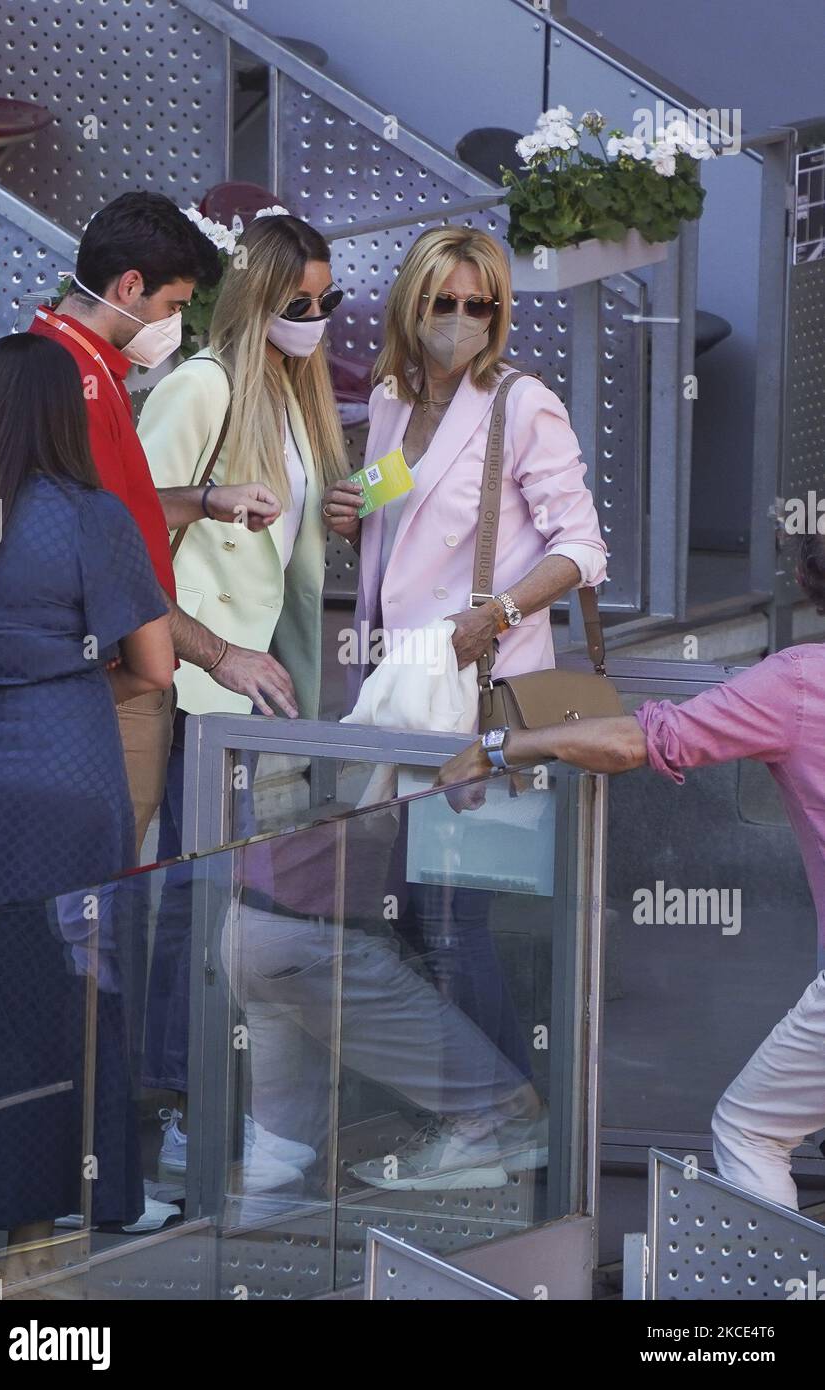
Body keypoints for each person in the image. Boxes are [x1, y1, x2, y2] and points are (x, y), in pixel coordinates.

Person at [438, 532, 825, 1211]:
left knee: (751, 1132)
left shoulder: (799, 681)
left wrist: (499, 746)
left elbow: (633, 742)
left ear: (805, 581)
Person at [322, 223, 607, 1089]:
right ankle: (482, 1103)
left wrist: (499, 612)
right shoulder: (395, 401)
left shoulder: (521, 404)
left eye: (478, 304)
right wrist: (353, 507)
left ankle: (506, 1105)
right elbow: (405, 485)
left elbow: (584, 547)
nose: (459, 319)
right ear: (412, 303)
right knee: (416, 912)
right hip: (404, 690)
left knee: (449, 913)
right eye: (442, 302)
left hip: (479, 694)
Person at [136, 207, 348, 1187]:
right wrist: (208, 654)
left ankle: (212, 1099)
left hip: (264, 689)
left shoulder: (296, 397)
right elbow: (131, 528)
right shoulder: (201, 388)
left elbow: (304, 522)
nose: (314, 317)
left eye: (328, 300)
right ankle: (176, 1102)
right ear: (257, 297)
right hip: (194, 683)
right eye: (298, 301)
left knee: (233, 903)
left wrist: (377, 489)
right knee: (197, 899)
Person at [0, 335, 173, 1276]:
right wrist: (68, 682)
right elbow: (155, 668)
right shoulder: (92, 516)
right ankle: (38, 1244)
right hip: (64, 788)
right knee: (63, 1001)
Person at [30, 191, 292, 861]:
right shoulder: (71, 381)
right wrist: (220, 654)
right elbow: (109, 557)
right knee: (99, 888)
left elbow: (119, 510)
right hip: (113, 675)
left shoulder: (83, 363)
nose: (174, 324)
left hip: (118, 669)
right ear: (129, 286)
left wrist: (206, 501)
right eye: (173, 308)